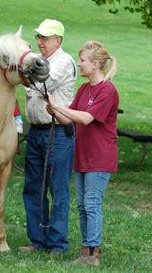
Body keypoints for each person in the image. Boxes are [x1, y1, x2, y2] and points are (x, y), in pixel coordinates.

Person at [45, 40, 118, 266]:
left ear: (95, 64)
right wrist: (54, 111)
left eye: (83, 60)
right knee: (82, 205)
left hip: (100, 156)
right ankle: (88, 250)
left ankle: (92, 254)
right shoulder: (84, 89)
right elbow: (69, 119)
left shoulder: (108, 90)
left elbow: (86, 118)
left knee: (92, 203)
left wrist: (59, 107)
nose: (80, 64)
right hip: (83, 156)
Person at [20, 19, 76, 254]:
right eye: (38, 38)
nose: (40, 42)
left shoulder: (64, 61)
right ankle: (37, 240)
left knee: (57, 189)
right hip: (36, 132)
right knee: (33, 187)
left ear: (58, 41)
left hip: (58, 132)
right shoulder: (38, 60)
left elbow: (44, 79)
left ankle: (57, 244)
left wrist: (23, 62)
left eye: (45, 38)